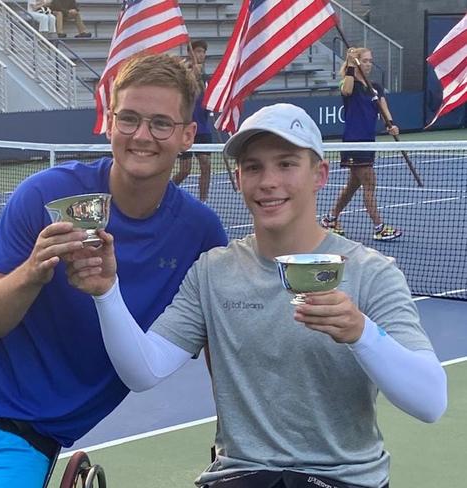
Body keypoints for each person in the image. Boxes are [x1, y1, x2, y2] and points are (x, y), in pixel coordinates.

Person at [0, 54, 227, 488]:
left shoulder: (201, 235)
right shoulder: (46, 193)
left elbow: (219, 350)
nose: (141, 135)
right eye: (128, 118)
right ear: (109, 123)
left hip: (29, 434)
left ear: (187, 135)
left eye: (160, 123)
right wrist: (35, 270)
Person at [67, 103, 447, 488]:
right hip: (240, 475)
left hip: (344, 480)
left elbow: (431, 402)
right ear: (238, 179)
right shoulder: (212, 271)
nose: (268, 181)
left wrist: (360, 332)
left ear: (320, 175)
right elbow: (143, 371)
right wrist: (106, 292)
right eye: (253, 167)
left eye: (286, 164)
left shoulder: (372, 273)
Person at [321, 47, 402, 241]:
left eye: (370, 61)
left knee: (353, 184)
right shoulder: (349, 83)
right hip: (354, 142)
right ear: (357, 63)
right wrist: (349, 65)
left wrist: (390, 124)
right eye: (365, 60)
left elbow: (383, 107)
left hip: (368, 141)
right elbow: (346, 90)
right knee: (369, 183)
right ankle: (379, 227)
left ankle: (330, 219)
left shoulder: (375, 87)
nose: (369, 64)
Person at [173, 40, 213, 202]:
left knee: (206, 165)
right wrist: (193, 76)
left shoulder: (206, 78)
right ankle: (163, 192)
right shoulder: (184, 75)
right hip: (187, 128)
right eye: (197, 51)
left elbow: (209, 102)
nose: (201, 55)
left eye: (203, 52)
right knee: (185, 170)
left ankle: (203, 201)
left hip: (203, 129)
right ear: (191, 53)